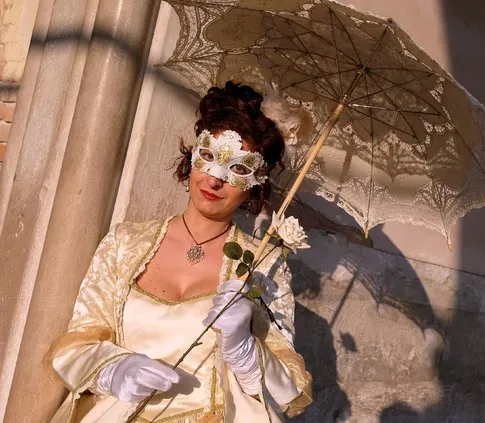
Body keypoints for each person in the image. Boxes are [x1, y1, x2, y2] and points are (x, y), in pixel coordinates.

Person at [46, 81, 312, 422]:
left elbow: (287, 392)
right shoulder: (125, 243)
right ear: (192, 158)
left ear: (256, 184)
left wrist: (246, 351)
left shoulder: (264, 265)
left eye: (239, 169)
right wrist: (114, 369)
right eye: (209, 157)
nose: (216, 180)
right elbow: (75, 346)